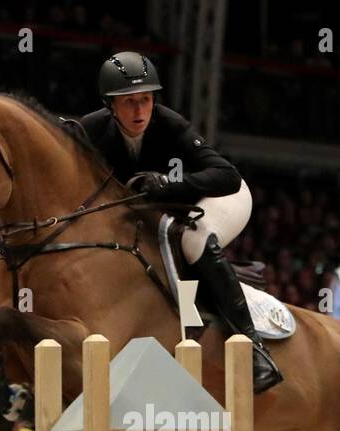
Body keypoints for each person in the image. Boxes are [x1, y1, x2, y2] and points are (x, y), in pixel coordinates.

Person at [80, 52, 282, 393]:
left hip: (217, 199)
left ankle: (254, 350)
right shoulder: (90, 130)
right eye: (129, 103)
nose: (140, 111)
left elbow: (227, 176)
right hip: (164, 212)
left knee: (194, 241)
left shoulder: (170, 125)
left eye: (145, 100)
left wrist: (170, 184)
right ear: (109, 105)